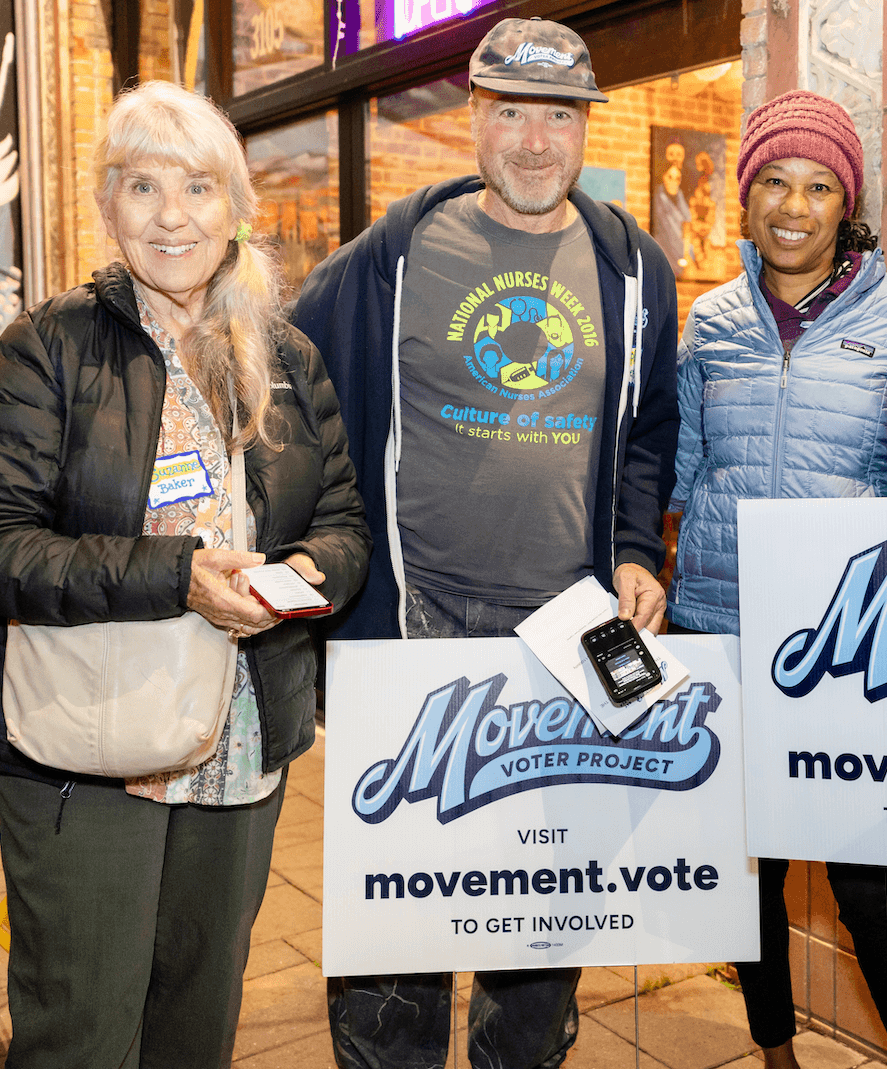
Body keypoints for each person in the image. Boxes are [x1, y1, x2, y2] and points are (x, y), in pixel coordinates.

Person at [0, 81, 371, 1068]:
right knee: (83, 1027)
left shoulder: (285, 355)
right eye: (143, 186)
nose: (171, 216)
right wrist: (178, 575)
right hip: (90, 744)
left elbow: (342, 526)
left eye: (197, 186)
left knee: (198, 1019)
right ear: (106, 205)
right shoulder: (51, 346)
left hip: (244, 737)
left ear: (234, 206)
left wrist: (297, 575)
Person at [287, 16, 679, 1069]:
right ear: (475, 118)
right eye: (512, 112)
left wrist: (635, 550)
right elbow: (287, 378)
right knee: (399, 935)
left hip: (566, 638)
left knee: (541, 923)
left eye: (559, 115)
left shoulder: (633, 269)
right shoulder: (395, 254)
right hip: (411, 627)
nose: (536, 142)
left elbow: (647, 432)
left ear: (585, 126)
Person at [666, 89, 887, 1069]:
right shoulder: (710, 320)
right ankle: (774, 1050)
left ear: (846, 203)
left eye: (819, 186)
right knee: (751, 873)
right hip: (720, 627)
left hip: (842, 645)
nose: (794, 205)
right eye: (774, 181)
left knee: (868, 878)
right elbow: (679, 475)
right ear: (746, 196)